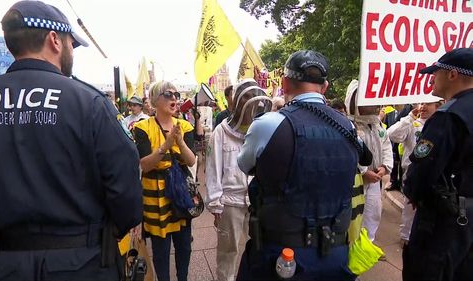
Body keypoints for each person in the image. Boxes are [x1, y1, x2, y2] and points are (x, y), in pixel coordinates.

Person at [0, 1, 143, 280]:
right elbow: (126, 191)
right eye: (70, 44)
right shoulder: (88, 102)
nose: (71, 52)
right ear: (54, 40)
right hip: (83, 262)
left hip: (8, 265)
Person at [236, 50, 364, 280]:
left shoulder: (268, 124)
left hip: (282, 259)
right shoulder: (348, 127)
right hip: (334, 256)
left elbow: (244, 165)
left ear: (284, 83)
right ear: (324, 87)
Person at [402, 47, 473, 280]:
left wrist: (413, 193)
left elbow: (423, 171)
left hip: (444, 221)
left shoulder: (449, 116)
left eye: (436, 72)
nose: (432, 77)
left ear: (452, 75)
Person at [205, 79, 272, 281]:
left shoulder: (261, 130)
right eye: (247, 97)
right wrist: (216, 204)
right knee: (228, 252)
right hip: (230, 203)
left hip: (257, 202)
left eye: (254, 98)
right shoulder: (220, 132)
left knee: (259, 248)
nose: (251, 102)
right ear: (237, 101)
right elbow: (212, 169)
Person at [132, 81, 196, 281]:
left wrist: (180, 143)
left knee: (184, 246)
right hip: (154, 198)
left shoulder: (185, 126)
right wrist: (164, 146)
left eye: (176, 94)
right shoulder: (142, 127)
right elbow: (144, 165)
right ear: (154, 100)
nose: (174, 99)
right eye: (168, 94)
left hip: (181, 195)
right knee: (160, 250)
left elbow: (192, 160)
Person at [387, 102, 441, 247]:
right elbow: (392, 135)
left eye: (428, 104)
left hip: (433, 175)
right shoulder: (412, 123)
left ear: (438, 106)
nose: (423, 107)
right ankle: (407, 238)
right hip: (412, 174)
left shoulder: (441, 125)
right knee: (410, 208)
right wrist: (409, 117)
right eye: (421, 103)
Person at [345, 80, 393, 242]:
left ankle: (368, 243)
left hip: (375, 180)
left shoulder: (378, 125)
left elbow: (386, 146)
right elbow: (350, 152)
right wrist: (364, 172)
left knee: (373, 212)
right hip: (357, 180)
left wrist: (385, 167)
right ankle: (353, 245)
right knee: (355, 214)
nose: (374, 105)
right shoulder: (349, 126)